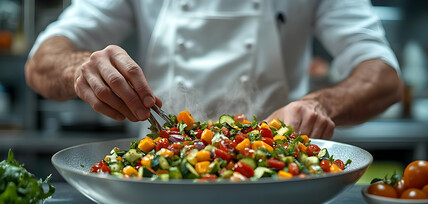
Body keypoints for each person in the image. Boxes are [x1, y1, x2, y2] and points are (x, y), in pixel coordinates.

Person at [25, 0, 403, 139]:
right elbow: (41, 61)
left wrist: (320, 104)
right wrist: (82, 68)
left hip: (279, 189)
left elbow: (384, 75)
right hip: (153, 185)